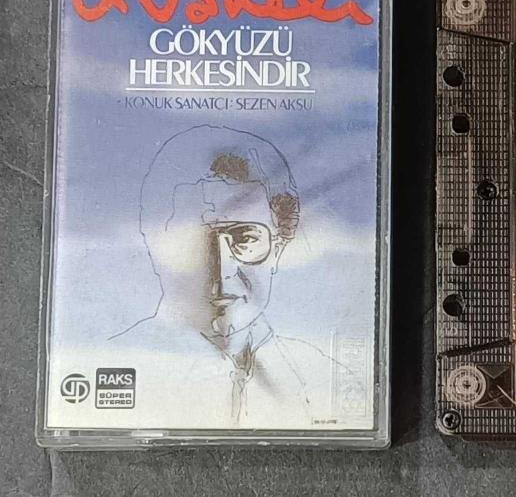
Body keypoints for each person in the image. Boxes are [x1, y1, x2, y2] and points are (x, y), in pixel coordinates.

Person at [111, 125, 348, 425]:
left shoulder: (324, 382)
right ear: (153, 247)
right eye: (202, 243)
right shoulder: (116, 364)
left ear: (280, 243)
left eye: (245, 239)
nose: (221, 274)